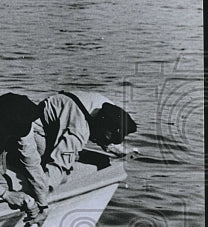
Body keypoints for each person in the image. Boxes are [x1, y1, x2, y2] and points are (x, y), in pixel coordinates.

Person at [8, 90, 137, 217]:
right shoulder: (78, 131)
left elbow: (105, 134)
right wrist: (42, 197)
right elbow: (58, 165)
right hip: (35, 129)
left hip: (55, 119)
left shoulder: (104, 106)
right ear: (100, 124)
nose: (105, 142)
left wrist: (120, 151)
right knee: (52, 171)